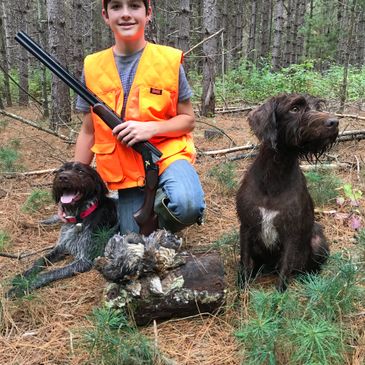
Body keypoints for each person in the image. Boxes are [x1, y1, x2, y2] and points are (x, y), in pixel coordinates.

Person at [74, 0, 205, 234]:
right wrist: (75, 183)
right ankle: (147, 212)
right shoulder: (92, 66)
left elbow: (188, 120)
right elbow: (88, 130)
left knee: (186, 205)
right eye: (116, 7)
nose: (126, 14)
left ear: (148, 13)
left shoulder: (169, 61)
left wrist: (150, 129)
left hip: (166, 155)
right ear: (105, 15)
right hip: (126, 170)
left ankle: (165, 203)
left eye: (134, 6)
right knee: (133, 237)